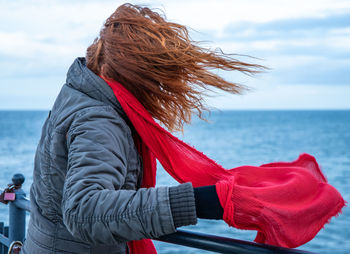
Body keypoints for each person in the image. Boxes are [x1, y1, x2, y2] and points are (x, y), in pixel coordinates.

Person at [22, 3, 344, 254]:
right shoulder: (99, 118)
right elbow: (84, 211)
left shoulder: (79, 92)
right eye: (152, 79)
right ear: (131, 72)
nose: (156, 90)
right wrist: (203, 201)